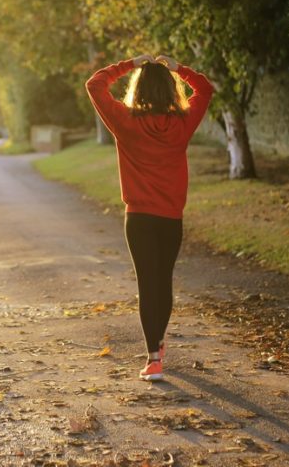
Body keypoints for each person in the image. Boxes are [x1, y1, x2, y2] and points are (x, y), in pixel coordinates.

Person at [85, 53, 214, 381]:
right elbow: (205, 89)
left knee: (147, 283)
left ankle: (153, 357)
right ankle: (157, 344)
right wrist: (178, 68)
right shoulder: (182, 123)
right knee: (163, 281)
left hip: (139, 219)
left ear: (138, 89)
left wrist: (130, 64)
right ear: (171, 90)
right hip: (170, 218)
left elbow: (95, 84)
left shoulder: (125, 121)